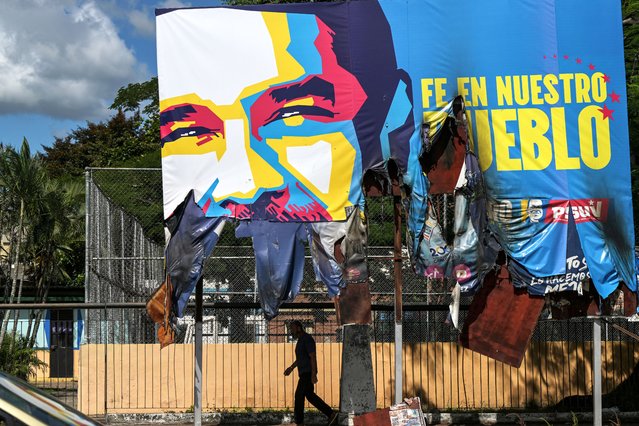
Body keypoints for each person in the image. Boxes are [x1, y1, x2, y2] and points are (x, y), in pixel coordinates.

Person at [284, 320, 338, 425]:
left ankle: (299, 422)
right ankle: (331, 414)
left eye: (292, 328)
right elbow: (300, 359)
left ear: (299, 328)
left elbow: (312, 356)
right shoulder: (300, 341)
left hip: (307, 373)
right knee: (310, 396)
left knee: (299, 395)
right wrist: (291, 368)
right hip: (304, 372)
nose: (291, 331)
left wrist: (313, 374)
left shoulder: (307, 339)